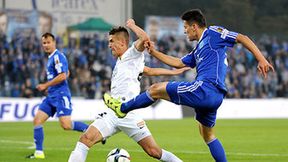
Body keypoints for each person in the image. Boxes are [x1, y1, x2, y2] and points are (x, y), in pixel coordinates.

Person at [103, 9, 274, 162]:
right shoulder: (198, 49)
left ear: (194, 26)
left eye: (185, 27)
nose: (184, 31)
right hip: (215, 96)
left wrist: (261, 58)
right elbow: (178, 63)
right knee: (207, 135)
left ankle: (123, 108)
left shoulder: (213, 33)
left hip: (206, 88)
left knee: (155, 89)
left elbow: (241, 38)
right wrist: (153, 52)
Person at [68, 19, 185, 162]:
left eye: (111, 41)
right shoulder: (122, 61)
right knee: (85, 139)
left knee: (154, 151)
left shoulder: (133, 53)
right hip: (112, 113)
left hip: (129, 113)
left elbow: (144, 38)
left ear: (122, 42)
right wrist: (172, 72)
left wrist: (131, 26)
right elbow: (148, 70)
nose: (109, 45)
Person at [26, 33, 88, 159]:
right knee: (37, 120)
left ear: (54, 43)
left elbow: (63, 76)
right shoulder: (51, 58)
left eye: (48, 42)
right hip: (51, 96)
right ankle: (39, 153)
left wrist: (45, 85)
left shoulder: (57, 57)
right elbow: (66, 73)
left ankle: (92, 130)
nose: (46, 45)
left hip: (61, 95)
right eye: (44, 43)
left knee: (66, 125)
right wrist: (50, 87)